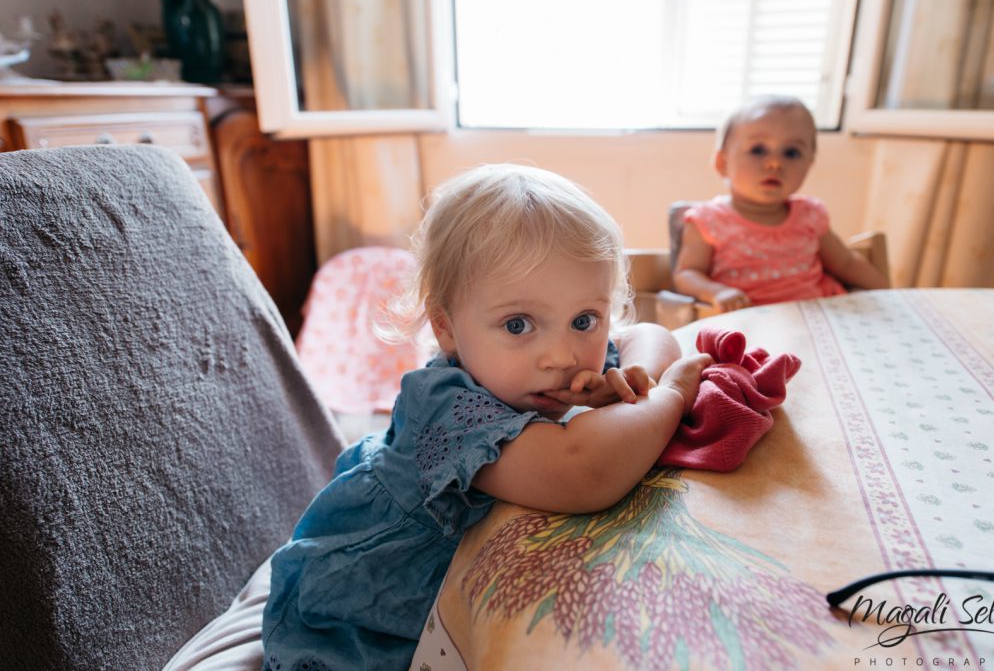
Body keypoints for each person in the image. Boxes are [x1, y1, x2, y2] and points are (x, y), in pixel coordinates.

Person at [261, 163, 713, 670]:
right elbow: (584, 473)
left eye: (585, 319)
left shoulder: (554, 360)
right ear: (447, 328)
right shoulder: (446, 406)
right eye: (518, 325)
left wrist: (635, 375)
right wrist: (667, 397)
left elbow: (651, 336)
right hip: (366, 624)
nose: (562, 354)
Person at [673, 95, 888, 314]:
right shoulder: (708, 221)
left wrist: (888, 296)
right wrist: (716, 292)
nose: (775, 163)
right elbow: (687, 274)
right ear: (723, 163)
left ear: (808, 165)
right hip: (749, 326)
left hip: (817, 317)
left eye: (791, 153)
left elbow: (845, 263)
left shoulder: (810, 215)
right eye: (758, 150)